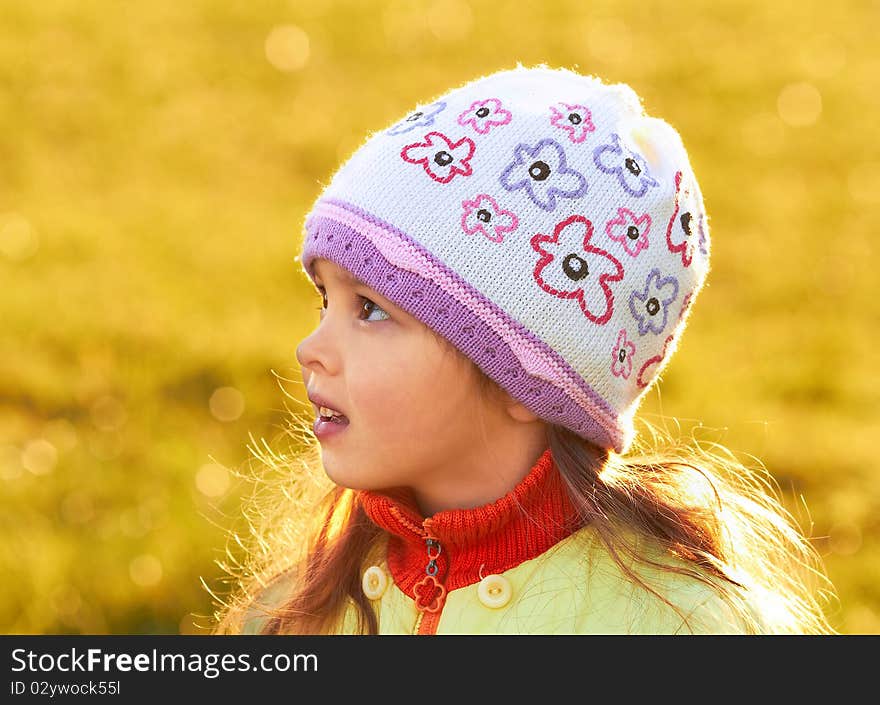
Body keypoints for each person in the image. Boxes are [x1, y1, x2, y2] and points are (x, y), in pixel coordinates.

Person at [210, 64, 837, 635]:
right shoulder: (309, 608)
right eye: (325, 298)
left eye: (372, 310)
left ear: (522, 383)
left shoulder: (680, 628)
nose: (311, 349)